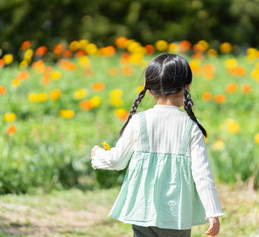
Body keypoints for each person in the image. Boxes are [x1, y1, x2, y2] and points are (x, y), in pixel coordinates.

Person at [90, 53, 223, 237]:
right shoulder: (191, 127)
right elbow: (203, 173)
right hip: (177, 215)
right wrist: (213, 212)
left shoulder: (138, 122)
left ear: (149, 89)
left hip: (142, 211)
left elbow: (117, 161)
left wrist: (98, 155)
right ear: (187, 86)